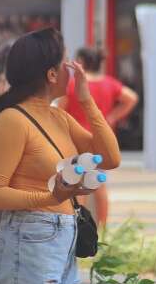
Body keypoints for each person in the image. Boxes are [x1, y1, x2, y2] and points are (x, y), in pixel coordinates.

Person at [0, 28, 121, 284]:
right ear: (51, 73)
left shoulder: (58, 116)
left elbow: (110, 157)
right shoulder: (12, 120)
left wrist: (86, 100)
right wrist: (50, 195)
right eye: (65, 61)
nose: (73, 68)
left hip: (63, 239)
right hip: (29, 241)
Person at [58, 47, 138, 227]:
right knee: (99, 185)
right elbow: (131, 97)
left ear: (82, 63)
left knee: (78, 184)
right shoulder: (110, 83)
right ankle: (103, 227)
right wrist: (112, 117)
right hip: (100, 140)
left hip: (76, 141)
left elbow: (60, 110)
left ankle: (77, 224)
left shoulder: (74, 85)